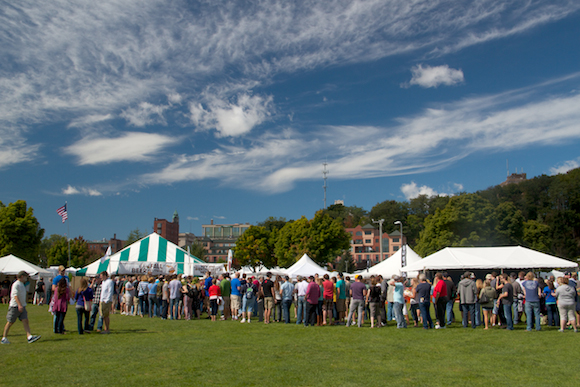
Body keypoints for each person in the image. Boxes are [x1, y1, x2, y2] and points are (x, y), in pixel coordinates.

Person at [2, 271, 41, 344]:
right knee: (10, 322)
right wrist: (19, 305)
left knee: (25, 320)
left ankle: (29, 336)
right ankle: (4, 338)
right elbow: (15, 296)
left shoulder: (22, 284)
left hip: (22, 306)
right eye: (26, 276)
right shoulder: (16, 284)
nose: (27, 278)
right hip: (15, 306)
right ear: (22, 276)